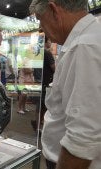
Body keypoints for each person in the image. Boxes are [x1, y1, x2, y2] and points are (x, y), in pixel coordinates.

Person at [30, 0, 101, 169]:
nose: (41, 28)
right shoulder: (91, 38)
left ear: (54, 11)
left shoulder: (83, 47)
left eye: (40, 19)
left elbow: (83, 137)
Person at [31, 36, 55, 131]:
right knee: (43, 106)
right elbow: (54, 68)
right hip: (46, 82)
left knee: (40, 105)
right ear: (46, 42)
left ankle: (37, 124)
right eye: (50, 40)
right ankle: (38, 126)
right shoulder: (48, 53)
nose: (51, 43)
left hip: (39, 81)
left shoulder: (37, 53)